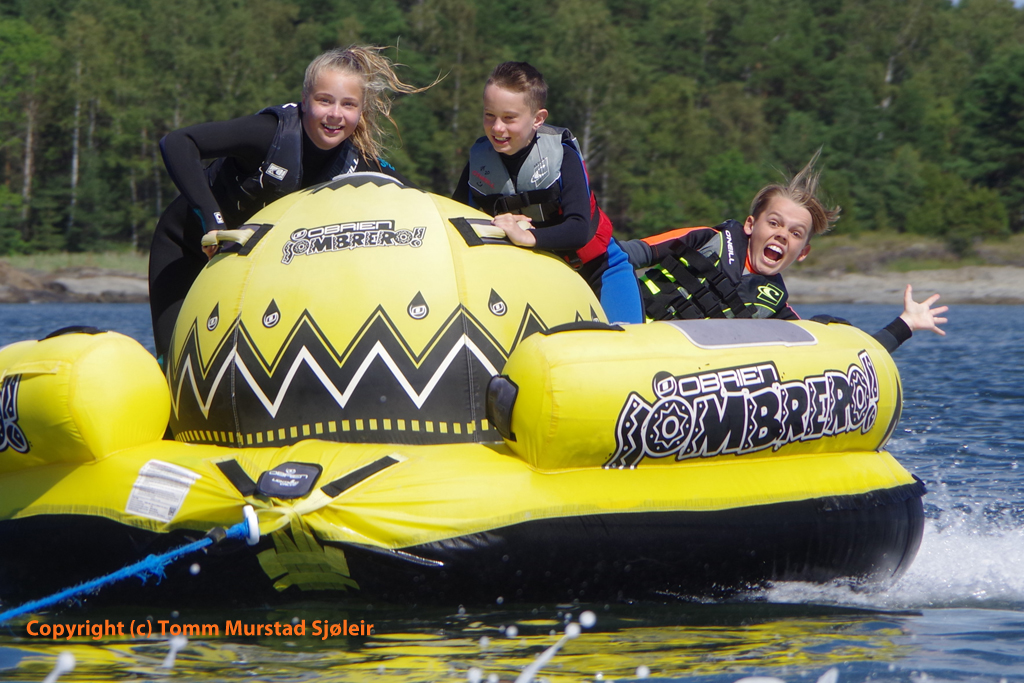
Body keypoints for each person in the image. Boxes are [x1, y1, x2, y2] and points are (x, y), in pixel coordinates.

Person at [149, 46, 432, 364]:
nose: (335, 114)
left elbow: (419, 200)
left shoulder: (359, 163)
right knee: (175, 364)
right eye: (324, 100)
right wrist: (213, 220)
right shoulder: (270, 133)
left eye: (348, 104)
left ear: (361, 110)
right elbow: (178, 142)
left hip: (247, 271)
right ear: (305, 99)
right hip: (186, 250)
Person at [620, 152, 947, 352]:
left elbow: (846, 360)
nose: (781, 235)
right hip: (623, 330)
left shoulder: (776, 307)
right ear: (751, 224)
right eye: (774, 223)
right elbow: (622, 256)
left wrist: (905, 324)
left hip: (670, 370)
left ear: (802, 253)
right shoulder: (704, 240)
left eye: (795, 233)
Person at [451, 61, 643, 324]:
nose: (497, 128)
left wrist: (525, 235)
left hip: (598, 272)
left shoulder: (563, 156)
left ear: (538, 119)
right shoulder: (478, 161)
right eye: (489, 115)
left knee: (622, 344)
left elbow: (578, 229)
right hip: (536, 280)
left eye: (509, 118)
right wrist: (499, 225)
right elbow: (455, 226)